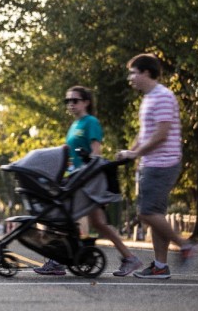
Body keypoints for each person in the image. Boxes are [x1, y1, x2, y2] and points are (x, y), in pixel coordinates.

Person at [34, 86, 143, 277]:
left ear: (86, 102)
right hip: (78, 179)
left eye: (75, 101)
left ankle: (58, 261)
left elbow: (95, 152)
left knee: (66, 215)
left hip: (90, 181)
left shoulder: (90, 122)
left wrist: (83, 174)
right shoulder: (74, 125)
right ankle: (130, 258)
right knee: (99, 223)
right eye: (67, 101)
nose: (71, 104)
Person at [117, 53, 198, 279]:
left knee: (146, 213)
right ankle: (160, 266)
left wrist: (135, 154)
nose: (130, 78)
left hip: (163, 162)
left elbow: (162, 134)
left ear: (146, 72)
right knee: (156, 215)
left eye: (133, 73)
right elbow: (145, 134)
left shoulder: (163, 96)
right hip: (152, 162)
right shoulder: (148, 98)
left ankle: (185, 246)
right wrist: (131, 154)